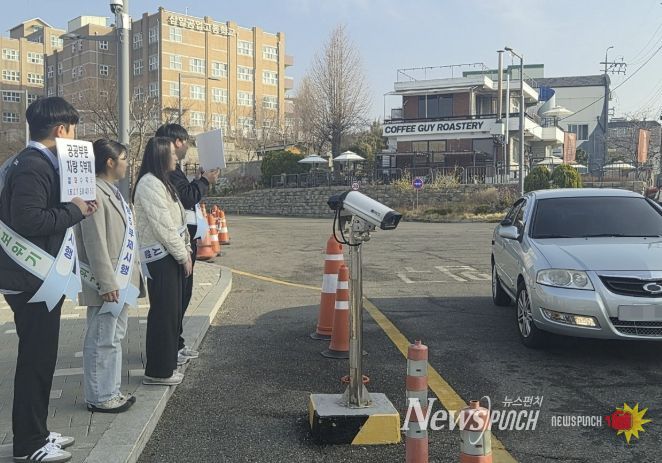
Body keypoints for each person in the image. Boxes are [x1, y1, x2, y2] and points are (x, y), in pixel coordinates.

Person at [0, 97, 97, 463]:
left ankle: (37, 431)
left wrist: (76, 208)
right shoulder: (33, 166)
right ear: (61, 130)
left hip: (35, 278)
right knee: (36, 361)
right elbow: (29, 220)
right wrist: (74, 210)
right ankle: (29, 444)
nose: (74, 136)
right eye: (73, 129)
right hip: (32, 280)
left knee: (40, 358)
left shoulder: (30, 162)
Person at [75, 139, 145, 413]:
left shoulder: (112, 192)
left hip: (121, 280)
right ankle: (100, 396)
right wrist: (106, 282)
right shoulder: (92, 192)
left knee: (114, 337)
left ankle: (111, 391)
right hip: (108, 282)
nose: (127, 164)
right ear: (109, 161)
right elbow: (94, 241)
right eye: (124, 159)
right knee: (102, 338)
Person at [155, 124, 219, 365]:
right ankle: (170, 349)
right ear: (176, 142)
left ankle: (177, 343)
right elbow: (187, 197)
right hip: (175, 247)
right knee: (174, 301)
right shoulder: (166, 172)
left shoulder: (173, 171)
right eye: (185, 142)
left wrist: (199, 180)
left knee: (182, 296)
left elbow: (186, 194)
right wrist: (204, 181)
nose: (186, 148)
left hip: (185, 243)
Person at [133, 136, 192, 386]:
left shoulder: (161, 181)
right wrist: (183, 255)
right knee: (163, 314)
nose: (176, 157)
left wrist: (185, 249)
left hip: (170, 256)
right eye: (172, 153)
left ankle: (166, 366)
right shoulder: (149, 184)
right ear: (160, 156)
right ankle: (158, 371)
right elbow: (164, 227)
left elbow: (178, 222)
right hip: (160, 258)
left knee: (171, 312)